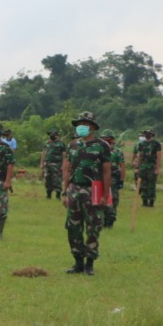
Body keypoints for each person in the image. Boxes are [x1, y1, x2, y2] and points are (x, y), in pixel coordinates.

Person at [61, 111, 112, 275]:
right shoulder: (73, 145)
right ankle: (78, 262)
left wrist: (105, 195)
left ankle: (90, 263)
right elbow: (67, 169)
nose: (81, 127)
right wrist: (64, 192)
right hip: (74, 189)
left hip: (93, 190)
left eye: (85, 124)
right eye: (79, 124)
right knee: (73, 227)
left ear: (92, 127)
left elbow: (106, 171)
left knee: (93, 226)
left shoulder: (102, 146)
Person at [100, 130, 126, 229]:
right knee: (99, 199)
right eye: (104, 139)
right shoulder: (99, 150)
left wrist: (121, 180)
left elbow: (122, 166)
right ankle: (100, 220)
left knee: (113, 200)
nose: (107, 142)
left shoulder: (117, 151)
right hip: (100, 177)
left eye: (109, 140)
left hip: (113, 178)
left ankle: (110, 221)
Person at [133, 129, 162, 207]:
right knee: (143, 185)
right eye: (146, 134)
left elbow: (159, 157)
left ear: (152, 134)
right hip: (143, 166)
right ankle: (144, 201)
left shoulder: (156, 144)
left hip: (152, 166)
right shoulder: (141, 144)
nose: (147, 135)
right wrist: (137, 167)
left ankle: (151, 202)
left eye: (149, 133)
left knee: (151, 185)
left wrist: (157, 169)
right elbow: (139, 155)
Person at [40, 130, 67, 199]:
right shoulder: (47, 143)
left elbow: (64, 155)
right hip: (48, 163)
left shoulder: (61, 144)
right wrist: (42, 163)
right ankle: (48, 194)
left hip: (57, 164)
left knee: (57, 179)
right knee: (47, 179)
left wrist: (63, 165)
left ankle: (58, 194)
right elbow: (44, 153)